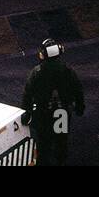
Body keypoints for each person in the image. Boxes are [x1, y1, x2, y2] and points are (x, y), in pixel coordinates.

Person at [21, 38, 85, 166]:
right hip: (61, 112)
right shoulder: (67, 71)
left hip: (43, 112)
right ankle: (60, 162)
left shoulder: (37, 72)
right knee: (61, 141)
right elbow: (77, 89)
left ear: (43, 55)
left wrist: (27, 112)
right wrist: (79, 106)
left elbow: (27, 93)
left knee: (44, 143)